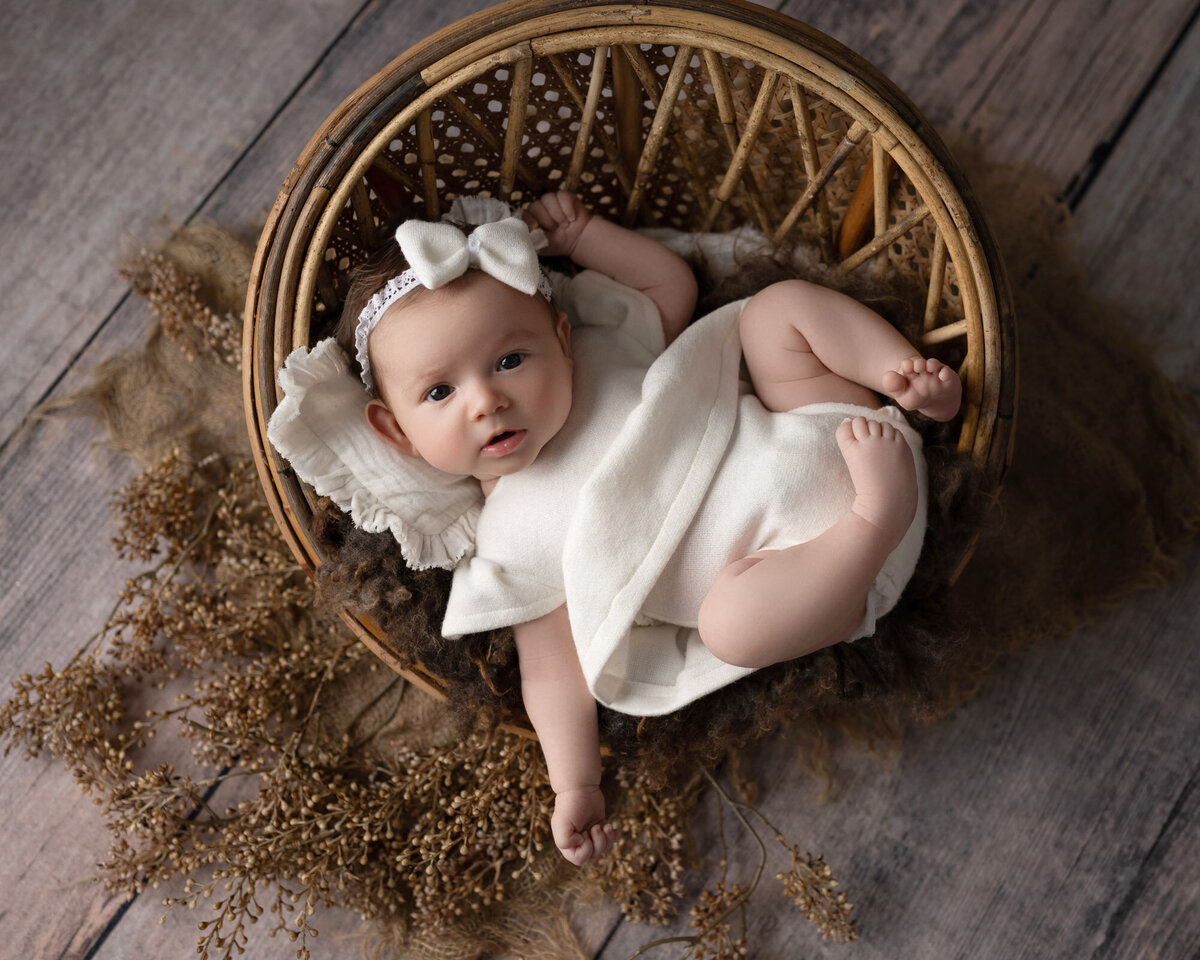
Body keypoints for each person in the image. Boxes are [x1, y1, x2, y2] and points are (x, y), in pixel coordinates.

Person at [339, 190, 960, 865]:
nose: (487, 400)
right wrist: (574, 785)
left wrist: (584, 236)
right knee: (730, 628)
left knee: (776, 311)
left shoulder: (605, 348)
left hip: (828, 427)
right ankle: (875, 520)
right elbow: (553, 673)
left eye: (511, 360)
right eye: (440, 392)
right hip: (812, 570)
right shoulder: (507, 543)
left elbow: (670, 282)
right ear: (396, 431)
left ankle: (908, 378)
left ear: (561, 340)